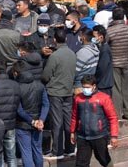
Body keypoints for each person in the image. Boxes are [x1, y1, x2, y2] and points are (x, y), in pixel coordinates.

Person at [70, 75, 119, 167]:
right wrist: (72, 131)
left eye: (87, 87)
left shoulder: (104, 98)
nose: (85, 89)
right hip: (82, 136)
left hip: (99, 136)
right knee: (81, 163)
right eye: (83, 87)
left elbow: (112, 118)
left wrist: (114, 136)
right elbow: (74, 116)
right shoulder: (78, 98)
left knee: (104, 159)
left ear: (94, 86)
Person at [42, 29, 77, 160]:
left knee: (56, 122)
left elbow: (46, 76)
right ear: (66, 39)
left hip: (55, 92)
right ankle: (70, 148)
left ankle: (57, 150)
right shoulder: (72, 54)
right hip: (68, 91)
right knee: (68, 121)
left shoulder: (54, 56)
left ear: (55, 40)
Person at [12, 61, 48, 167]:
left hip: (22, 124)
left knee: (26, 152)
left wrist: (32, 121)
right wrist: (41, 120)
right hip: (38, 124)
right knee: (37, 150)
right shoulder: (39, 85)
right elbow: (46, 104)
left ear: (15, 73)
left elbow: (19, 110)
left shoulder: (17, 88)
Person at [106, 7, 128, 121]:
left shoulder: (110, 31)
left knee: (116, 89)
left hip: (114, 62)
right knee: (127, 88)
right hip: (127, 61)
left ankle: (117, 113)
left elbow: (106, 47)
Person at [73, 28, 99, 92]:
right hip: (90, 83)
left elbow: (75, 71)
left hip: (80, 85)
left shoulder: (83, 52)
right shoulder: (95, 48)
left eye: (80, 35)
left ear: (83, 37)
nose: (79, 37)